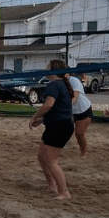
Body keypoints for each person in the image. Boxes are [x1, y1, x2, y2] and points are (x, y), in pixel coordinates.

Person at [28, 59, 74, 200]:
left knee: (51, 161)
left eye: (48, 67)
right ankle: (52, 186)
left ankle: (64, 192)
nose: (45, 68)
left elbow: (49, 105)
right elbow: (59, 109)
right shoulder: (62, 84)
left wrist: (34, 116)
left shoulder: (54, 84)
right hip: (58, 124)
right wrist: (42, 120)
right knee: (41, 155)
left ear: (53, 70)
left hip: (60, 126)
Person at [69, 70, 93, 157]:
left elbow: (75, 96)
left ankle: (84, 153)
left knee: (79, 134)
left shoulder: (73, 80)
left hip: (83, 110)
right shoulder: (57, 83)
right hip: (70, 111)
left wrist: (66, 106)